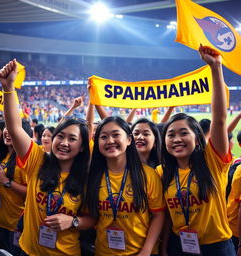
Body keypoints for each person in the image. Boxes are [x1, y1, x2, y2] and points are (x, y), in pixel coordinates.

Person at [0, 59, 94, 256]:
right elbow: (15, 128)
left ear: (83, 146)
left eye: (72, 138)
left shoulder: (88, 177)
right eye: (60, 136)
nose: (64, 143)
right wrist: (8, 89)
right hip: (28, 251)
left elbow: (92, 218)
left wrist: (73, 221)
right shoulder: (38, 160)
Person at [159, 45, 235, 255]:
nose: (176, 139)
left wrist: (216, 67)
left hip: (217, 249)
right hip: (179, 246)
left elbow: (219, 121)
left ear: (197, 137)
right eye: (170, 134)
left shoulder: (212, 161)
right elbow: (164, 216)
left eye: (184, 133)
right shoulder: (162, 172)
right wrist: (164, 247)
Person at [86, 116, 165, 256]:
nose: (110, 141)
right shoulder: (93, 177)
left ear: (129, 140)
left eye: (116, 135)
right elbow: (92, 217)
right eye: (103, 137)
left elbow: (158, 215)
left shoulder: (148, 175)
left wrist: (146, 251)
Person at [0, 119, 33, 255]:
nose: (7, 131)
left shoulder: (26, 161)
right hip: (1, 220)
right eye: (6, 128)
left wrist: (7, 181)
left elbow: (31, 192)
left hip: (17, 225)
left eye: (12, 128)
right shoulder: (1, 154)